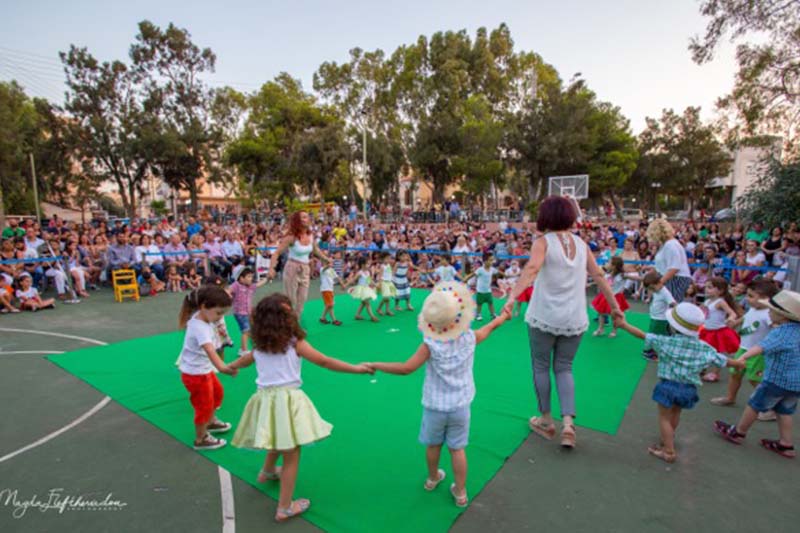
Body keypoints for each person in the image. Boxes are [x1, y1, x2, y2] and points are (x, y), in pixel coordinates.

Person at [229, 294, 373, 522]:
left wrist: (231, 367)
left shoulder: (260, 347)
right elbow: (325, 361)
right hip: (287, 402)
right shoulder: (295, 343)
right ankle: (284, 507)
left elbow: (244, 361)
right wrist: (356, 368)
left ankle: (267, 471)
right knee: (292, 453)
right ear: (286, 320)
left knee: (277, 437)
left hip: (264, 399)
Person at [366, 282, 510, 508]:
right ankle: (460, 492)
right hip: (461, 405)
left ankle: (433, 478)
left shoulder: (431, 344)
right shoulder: (469, 337)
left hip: (435, 406)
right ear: (459, 318)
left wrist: (377, 364)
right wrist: (501, 318)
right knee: (457, 449)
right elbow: (488, 329)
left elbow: (406, 368)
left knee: (433, 445)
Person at [505, 196, 622, 448]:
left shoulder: (542, 242)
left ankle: (546, 420)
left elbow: (532, 268)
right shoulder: (582, 244)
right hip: (574, 317)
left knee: (540, 366)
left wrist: (512, 296)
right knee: (564, 367)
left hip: (544, 315)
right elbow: (599, 275)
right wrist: (614, 307)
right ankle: (568, 424)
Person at [616, 303, 744, 463]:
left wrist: (623, 325)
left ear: (673, 326)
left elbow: (642, 335)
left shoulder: (666, 342)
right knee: (675, 414)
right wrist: (739, 363)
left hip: (668, 386)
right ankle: (667, 439)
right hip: (688, 388)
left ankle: (668, 451)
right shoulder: (704, 347)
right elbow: (723, 360)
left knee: (664, 418)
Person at [713, 290, 800, 459]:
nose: (768, 312)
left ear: (783, 316)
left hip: (776, 379)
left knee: (755, 404)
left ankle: (739, 432)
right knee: (785, 411)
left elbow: (760, 347)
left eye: (772, 311)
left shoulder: (781, 333)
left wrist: (742, 357)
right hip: (796, 383)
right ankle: (786, 444)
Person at [177, 286, 237, 451]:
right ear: (203, 307)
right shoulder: (200, 327)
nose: (220, 317)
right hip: (195, 374)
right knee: (203, 405)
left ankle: (210, 422)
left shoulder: (203, 318)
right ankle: (201, 438)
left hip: (203, 370)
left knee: (217, 393)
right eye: (218, 313)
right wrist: (223, 368)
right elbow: (210, 350)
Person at [711, 280, 778, 408]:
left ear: (766, 299)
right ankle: (730, 398)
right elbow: (746, 317)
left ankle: (769, 406)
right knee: (735, 373)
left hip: (758, 352)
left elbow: (776, 330)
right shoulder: (753, 309)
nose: (747, 299)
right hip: (743, 348)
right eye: (747, 295)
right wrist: (735, 323)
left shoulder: (769, 314)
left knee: (755, 379)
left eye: (751, 296)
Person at [268, 211, 331, 318]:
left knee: (302, 300)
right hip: (292, 268)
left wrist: (326, 259)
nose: (308, 218)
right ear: (298, 221)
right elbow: (277, 253)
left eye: (307, 216)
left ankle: (294, 325)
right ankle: (286, 325)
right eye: (304, 217)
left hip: (305, 269)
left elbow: (315, 250)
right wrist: (271, 269)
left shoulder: (310, 235)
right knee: (290, 300)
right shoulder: (291, 237)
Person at [699, 277, 742, 382]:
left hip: (718, 331)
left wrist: (730, 319)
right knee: (704, 350)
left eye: (710, 287)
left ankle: (715, 373)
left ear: (720, 290)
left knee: (717, 353)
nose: (706, 289)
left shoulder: (720, 302)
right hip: (706, 330)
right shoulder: (707, 301)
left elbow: (732, 313)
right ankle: (702, 369)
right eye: (706, 287)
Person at [648, 219, 693, 301]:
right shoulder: (666, 245)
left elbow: (674, 267)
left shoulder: (671, 245)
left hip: (675, 280)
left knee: (671, 308)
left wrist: (660, 282)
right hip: (670, 278)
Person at [229, 267, 268, 355]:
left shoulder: (250, 287)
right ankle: (243, 349)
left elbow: (258, 284)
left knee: (249, 330)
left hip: (248, 312)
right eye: (249, 277)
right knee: (246, 331)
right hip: (240, 313)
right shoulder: (236, 285)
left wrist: (267, 278)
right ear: (241, 278)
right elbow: (228, 290)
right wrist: (228, 295)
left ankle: (246, 348)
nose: (251, 279)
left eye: (252, 276)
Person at [591, 256, 630, 338]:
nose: (607, 264)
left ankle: (614, 330)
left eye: (609, 262)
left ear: (614, 265)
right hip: (605, 295)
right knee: (601, 313)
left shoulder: (622, 275)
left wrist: (641, 279)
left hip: (616, 296)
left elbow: (633, 277)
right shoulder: (607, 273)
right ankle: (601, 329)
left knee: (614, 315)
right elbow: (600, 278)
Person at [641, 271, 676, 360]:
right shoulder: (657, 290)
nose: (652, 290)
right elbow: (655, 297)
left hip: (661, 319)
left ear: (659, 282)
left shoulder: (665, 292)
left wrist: (677, 309)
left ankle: (650, 350)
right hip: (655, 318)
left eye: (653, 288)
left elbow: (672, 302)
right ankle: (649, 351)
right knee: (655, 335)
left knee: (656, 335)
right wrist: (649, 299)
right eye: (650, 288)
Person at [463, 253, 499, 321]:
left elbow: (497, 272)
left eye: (492, 260)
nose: (492, 262)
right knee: (479, 304)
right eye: (490, 260)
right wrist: (466, 279)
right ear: (485, 261)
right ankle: (478, 315)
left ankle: (493, 314)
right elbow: (473, 274)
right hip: (480, 291)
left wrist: (505, 275)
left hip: (488, 290)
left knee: (490, 303)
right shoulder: (480, 269)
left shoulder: (492, 269)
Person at [346, 257, 379, 322]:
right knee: (367, 303)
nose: (369, 265)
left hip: (366, 289)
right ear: (362, 265)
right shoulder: (360, 273)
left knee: (363, 303)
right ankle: (372, 316)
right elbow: (353, 279)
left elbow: (369, 280)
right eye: (367, 264)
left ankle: (357, 315)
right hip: (361, 290)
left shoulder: (368, 272)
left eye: (369, 264)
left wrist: (375, 285)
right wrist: (345, 285)